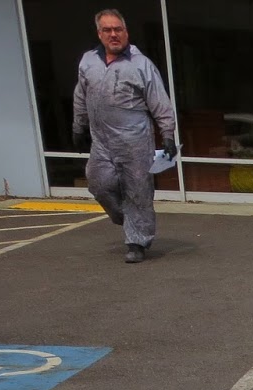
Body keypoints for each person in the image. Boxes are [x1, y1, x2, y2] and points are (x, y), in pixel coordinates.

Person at [72, 8, 177, 264]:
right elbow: (80, 96)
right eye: (107, 30)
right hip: (102, 142)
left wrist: (168, 134)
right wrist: (78, 126)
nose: (113, 34)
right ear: (99, 34)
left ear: (126, 32)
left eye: (118, 29)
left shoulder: (141, 65)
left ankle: (137, 243)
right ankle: (125, 216)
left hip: (135, 142)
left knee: (138, 192)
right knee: (98, 183)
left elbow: (160, 102)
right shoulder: (88, 62)